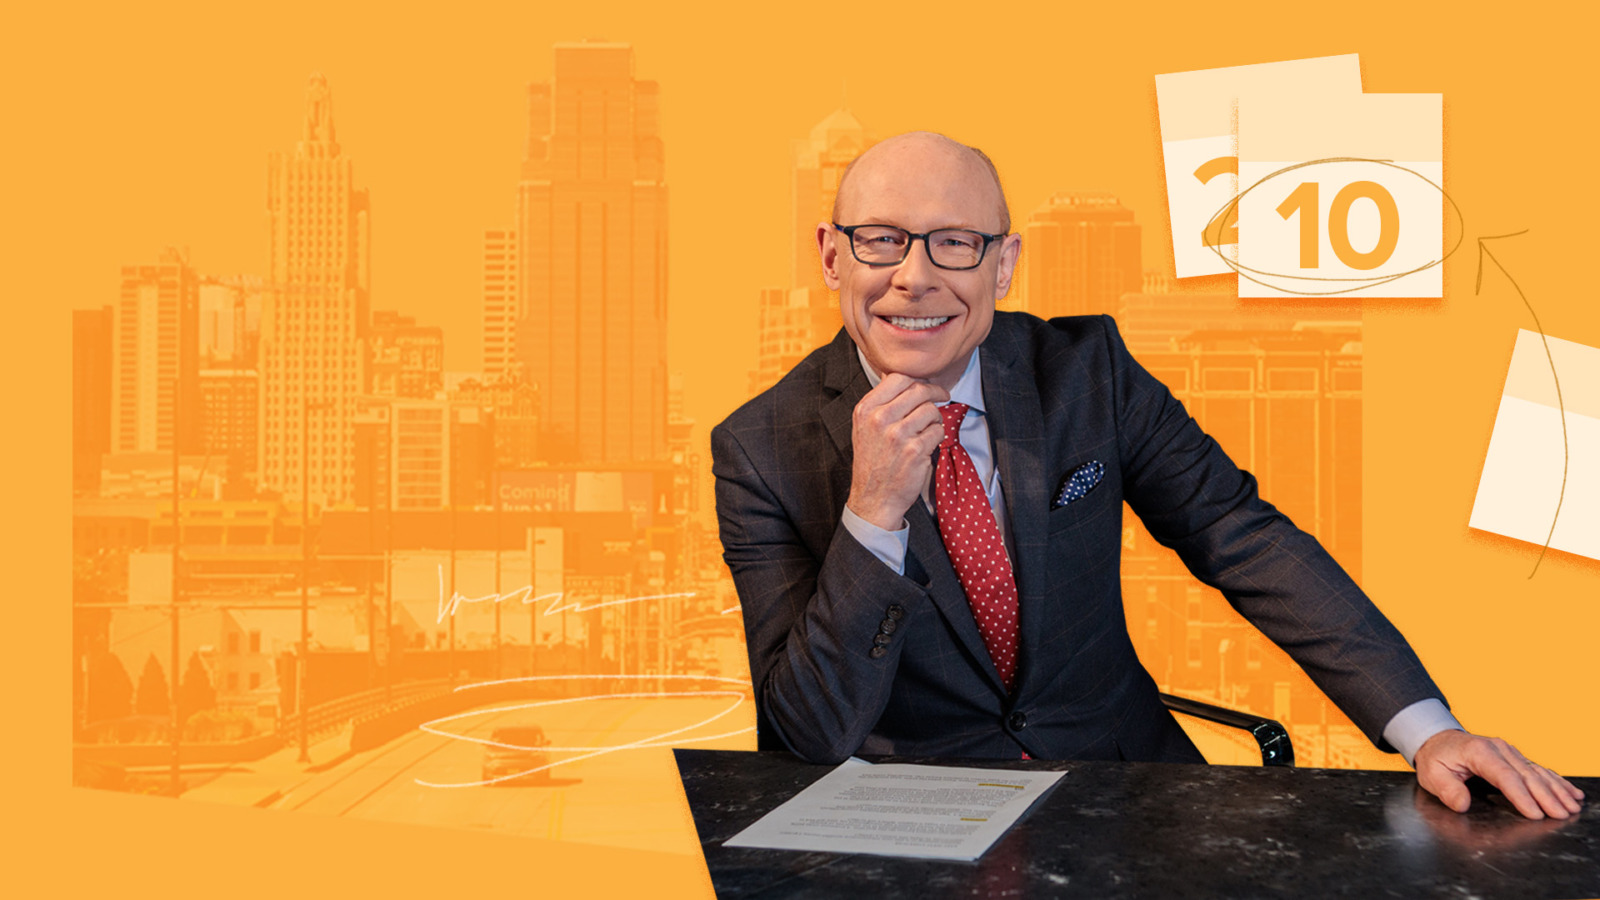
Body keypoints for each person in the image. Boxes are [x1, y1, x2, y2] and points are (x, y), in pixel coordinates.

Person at [711, 131, 1583, 819]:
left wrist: (1427, 732)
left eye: (954, 243)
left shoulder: (1088, 374)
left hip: (1129, 793)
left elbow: (1241, 537)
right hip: (916, 825)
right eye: (881, 241)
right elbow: (810, 732)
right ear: (832, 256)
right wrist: (874, 516)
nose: (914, 276)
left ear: (1004, 265)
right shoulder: (758, 449)